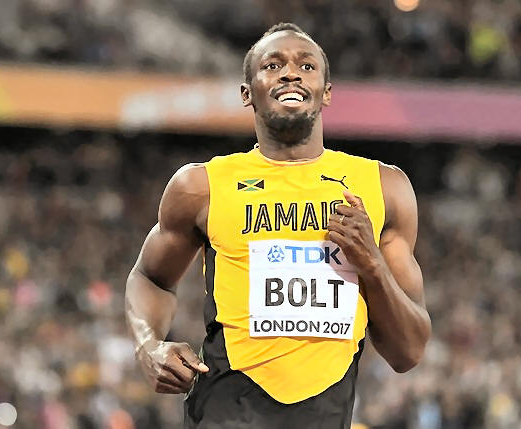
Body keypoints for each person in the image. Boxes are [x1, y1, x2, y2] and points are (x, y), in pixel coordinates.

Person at [125, 22, 431, 428]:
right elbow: (150, 277)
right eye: (273, 65)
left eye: (307, 66)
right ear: (247, 93)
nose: (290, 73)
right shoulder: (201, 186)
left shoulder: (383, 187)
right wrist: (149, 345)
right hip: (223, 414)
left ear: (326, 91)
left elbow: (408, 352)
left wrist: (372, 264)